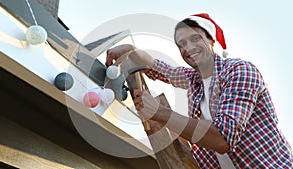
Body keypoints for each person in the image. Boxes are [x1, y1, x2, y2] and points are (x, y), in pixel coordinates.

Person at [106, 13, 293, 168]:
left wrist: (159, 112)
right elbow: (157, 67)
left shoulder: (239, 71)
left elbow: (222, 138)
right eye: (182, 44)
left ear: (211, 41)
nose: (188, 48)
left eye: (195, 38)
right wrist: (131, 50)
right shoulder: (194, 80)